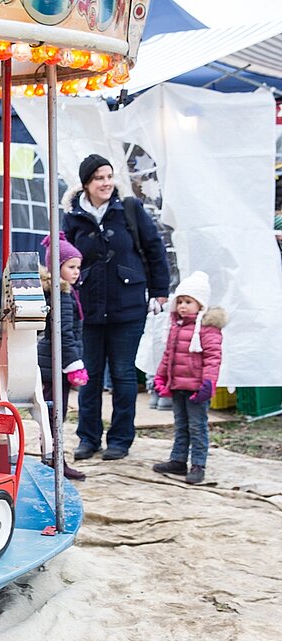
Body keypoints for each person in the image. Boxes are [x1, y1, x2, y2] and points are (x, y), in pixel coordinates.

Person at [62, 154, 170, 462]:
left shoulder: (130, 210)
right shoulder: (72, 216)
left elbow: (154, 249)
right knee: (89, 375)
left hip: (128, 306)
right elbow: (64, 258)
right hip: (88, 308)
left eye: (109, 176)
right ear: (86, 184)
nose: (106, 183)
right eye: (99, 178)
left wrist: (160, 291)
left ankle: (120, 439)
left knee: (123, 375)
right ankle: (88, 437)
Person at [152, 272, 226, 485]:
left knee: (197, 426)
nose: (183, 306)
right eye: (180, 301)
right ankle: (178, 459)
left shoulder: (207, 329)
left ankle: (198, 464)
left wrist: (208, 383)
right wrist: (160, 377)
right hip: (177, 386)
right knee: (180, 424)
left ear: (200, 305)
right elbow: (169, 355)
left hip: (196, 389)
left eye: (188, 302)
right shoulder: (176, 326)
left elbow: (213, 359)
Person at [37, 233, 88, 481]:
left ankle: (52, 457)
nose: (77, 271)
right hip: (56, 364)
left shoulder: (62, 292)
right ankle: (55, 460)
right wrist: (73, 364)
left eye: (78, 266)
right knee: (55, 413)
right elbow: (63, 334)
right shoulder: (62, 295)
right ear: (56, 267)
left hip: (53, 362)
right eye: (71, 266)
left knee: (52, 412)